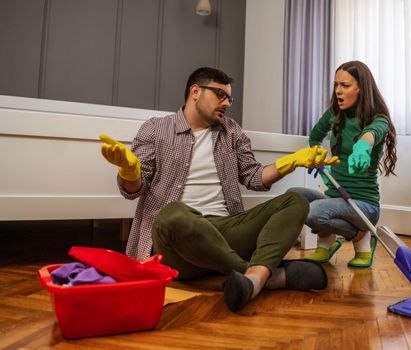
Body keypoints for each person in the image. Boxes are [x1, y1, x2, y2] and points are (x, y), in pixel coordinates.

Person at [99, 67, 338, 312]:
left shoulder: (232, 131)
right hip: (176, 242)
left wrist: (290, 162)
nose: (226, 103)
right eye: (219, 94)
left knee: (296, 200)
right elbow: (134, 190)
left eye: (229, 98)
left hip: (225, 233)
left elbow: (253, 177)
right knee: (172, 214)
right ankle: (264, 275)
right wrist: (129, 173)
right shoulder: (157, 128)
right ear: (195, 92)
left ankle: (252, 281)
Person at [288, 60, 397, 268]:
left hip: (364, 206)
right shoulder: (334, 114)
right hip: (336, 198)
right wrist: (318, 155)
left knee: (314, 212)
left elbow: (372, 134)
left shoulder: (378, 119)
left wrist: (362, 147)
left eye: (345, 85)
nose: (338, 90)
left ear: (361, 88)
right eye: (336, 84)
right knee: (295, 196)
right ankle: (327, 244)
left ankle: (360, 236)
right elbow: (316, 136)